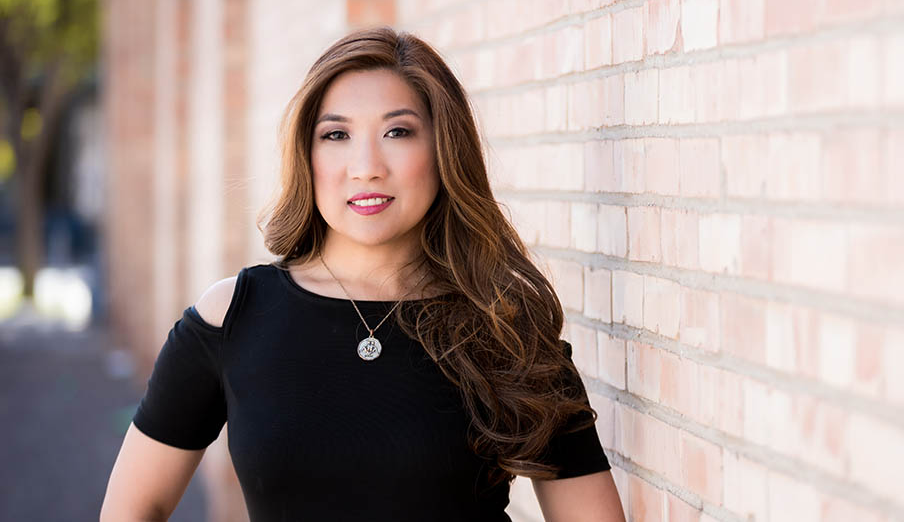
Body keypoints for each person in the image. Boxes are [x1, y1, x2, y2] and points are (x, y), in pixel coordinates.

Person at [100, 26, 626, 522]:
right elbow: (132, 507)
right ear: (307, 154)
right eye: (336, 134)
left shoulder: (502, 325)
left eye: (398, 132)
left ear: (443, 149)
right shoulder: (232, 317)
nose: (367, 165)